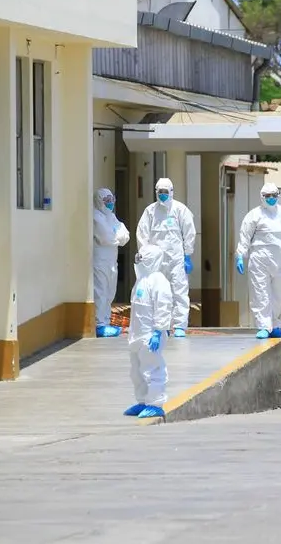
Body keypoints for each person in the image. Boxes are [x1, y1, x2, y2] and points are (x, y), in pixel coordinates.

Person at [235, 183, 281, 339]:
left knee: (278, 295)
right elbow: (245, 236)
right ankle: (264, 327)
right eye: (268, 196)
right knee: (260, 294)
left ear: (278, 196)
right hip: (259, 261)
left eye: (274, 195)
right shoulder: (254, 215)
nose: (271, 199)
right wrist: (240, 254)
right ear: (262, 197)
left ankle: (275, 326)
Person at [136, 178, 196, 338]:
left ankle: (179, 326)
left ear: (171, 192)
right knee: (158, 293)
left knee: (179, 291)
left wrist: (187, 255)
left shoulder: (180, 210)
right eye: (160, 192)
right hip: (156, 262)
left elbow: (189, 232)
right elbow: (142, 234)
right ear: (156, 192)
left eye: (165, 192)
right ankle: (161, 326)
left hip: (176, 259)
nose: (163, 195)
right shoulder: (150, 211)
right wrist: (144, 255)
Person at [123, 245, 174, 419]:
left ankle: (156, 403)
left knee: (153, 368)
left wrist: (159, 331)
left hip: (151, 335)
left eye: (143, 257)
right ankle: (143, 401)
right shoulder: (141, 279)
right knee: (136, 370)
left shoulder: (159, 280)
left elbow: (163, 306)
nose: (139, 260)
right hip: (137, 334)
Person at [93, 188, 130, 338]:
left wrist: (115, 233)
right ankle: (99, 324)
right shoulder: (96, 217)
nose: (109, 204)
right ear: (99, 201)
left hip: (111, 261)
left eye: (111, 200)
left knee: (109, 293)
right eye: (106, 201)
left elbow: (125, 236)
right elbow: (107, 237)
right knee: (100, 292)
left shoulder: (111, 217)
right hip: (100, 261)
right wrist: (116, 233)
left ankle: (106, 322)